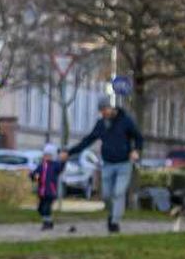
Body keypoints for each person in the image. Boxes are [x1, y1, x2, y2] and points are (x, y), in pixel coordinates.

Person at [68, 98, 144, 233]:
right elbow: (88, 140)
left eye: (105, 110)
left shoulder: (125, 121)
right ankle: (112, 214)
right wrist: (69, 152)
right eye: (101, 111)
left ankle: (114, 222)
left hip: (124, 163)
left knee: (118, 192)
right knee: (107, 195)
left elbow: (138, 137)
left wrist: (136, 150)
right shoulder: (101, 124)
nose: (103, 114)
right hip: (108, 164)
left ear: (111, 108)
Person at [30, 142, 65, 232]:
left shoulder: (55, 165)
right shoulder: (42, 166)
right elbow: (36, 174)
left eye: (48, 155)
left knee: (46, 208)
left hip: (50, 191)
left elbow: (61, 168)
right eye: (45, 155)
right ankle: (49, 221)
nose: (46, 157)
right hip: (42, 192)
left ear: (52, 156)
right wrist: (34, 176)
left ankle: (47, 224)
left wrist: (63, 161)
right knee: (40, 209)